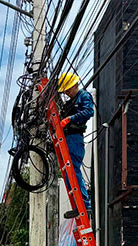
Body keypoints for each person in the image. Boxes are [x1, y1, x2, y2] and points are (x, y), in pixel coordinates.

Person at [57, 72, 94, 211]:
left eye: (67, 89)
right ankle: (77, 204)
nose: (66, 92)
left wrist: (70, 119)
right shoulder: (69, 102)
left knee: (73, 169)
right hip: (67, 137)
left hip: (75, 137)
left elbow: (89, 112)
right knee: (67, 171)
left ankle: (84, 204)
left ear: (74, 86)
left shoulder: (84, 96)